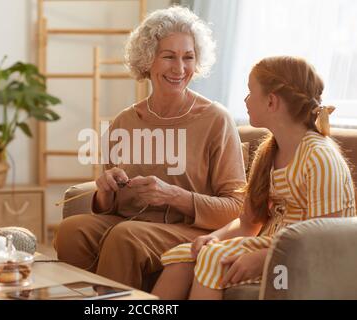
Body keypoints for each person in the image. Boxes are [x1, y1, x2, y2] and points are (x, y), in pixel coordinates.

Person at [54, 6, 246, 291]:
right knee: (72, 231)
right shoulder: (125, 121)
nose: (179, 69)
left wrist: (174, 196)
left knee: (126, 236)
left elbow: (236, 207)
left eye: (188, 57)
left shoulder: (215, 120)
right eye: (168, 56)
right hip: (133, 224)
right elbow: (112, 207)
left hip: (190, 229)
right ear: (147, 61)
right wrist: (105, 193)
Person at [152, 56, 356, 299]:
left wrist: (263, 259)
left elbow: (323, 240)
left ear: (271, 101)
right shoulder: (269, 152)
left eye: (250, 92)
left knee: (214, 258)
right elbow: (250, 222)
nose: (246, 100)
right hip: (272, 247)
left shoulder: (319, 157)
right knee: (183, 256)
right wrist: (212, 237)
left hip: (305, 259)